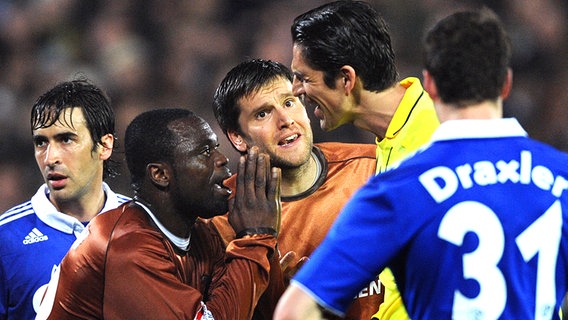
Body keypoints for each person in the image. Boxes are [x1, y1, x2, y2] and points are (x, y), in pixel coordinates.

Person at [275, 7, 568, 319]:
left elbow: (295, 310)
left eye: (303, 77)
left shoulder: (413, 169)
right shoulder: (555, 173)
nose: (295, 89)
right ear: (505, 85)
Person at [35, 108, 282, 319]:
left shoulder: (201, 235)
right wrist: (255, 238)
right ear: (160, 175)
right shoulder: (126, 247)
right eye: (205, 152)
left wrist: (265, 247)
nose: (222, 159)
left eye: (216, 148)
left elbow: (251, 311)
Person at [290, 1, 440, 318]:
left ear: (346, 79)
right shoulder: (396, 135)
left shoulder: (436, 141)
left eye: (304, 77)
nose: (296, 90)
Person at [212, 59, 379, 319]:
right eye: (262, 114)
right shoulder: (220, 222)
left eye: (289, 103)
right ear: (237, 138)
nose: (285, 120)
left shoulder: (374, 168)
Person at [0, 79, 129, 319]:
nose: (50, 158)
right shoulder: (5, 239)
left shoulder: (144, 226)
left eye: (66, 139)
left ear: (104, 145)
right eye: (41, 142)